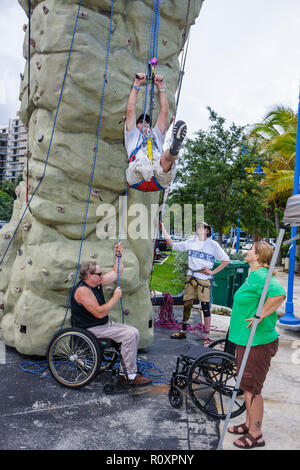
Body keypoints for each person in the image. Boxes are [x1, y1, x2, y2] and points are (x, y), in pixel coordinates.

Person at [228, 241, 286, 449]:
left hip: (257, 343)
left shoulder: (263, 275)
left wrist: (259, 316)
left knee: (253, 389)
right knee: (247, 386)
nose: (248, 251)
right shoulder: (253, 274)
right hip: (246, 340)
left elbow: (279, 294)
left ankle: (256, 434)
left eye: (251, 249)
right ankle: (248, 423)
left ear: (259, 256)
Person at [70, 242, 152, 387]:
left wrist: (118, 255)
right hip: (91, 329)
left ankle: (123, 373)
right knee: (130, 334)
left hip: (101, 325)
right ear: (89, 276)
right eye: (99, 274)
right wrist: (115, 297)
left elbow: (116, 272)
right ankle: (130, 375)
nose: (102, 276)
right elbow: (100, 313)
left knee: (134, 333)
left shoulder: (96, 283)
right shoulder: (83, 291)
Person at [160, 221, 230, 344]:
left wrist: (212, 272)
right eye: (197, 228)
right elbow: (173, 245)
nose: (199, 230)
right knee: (187, 304)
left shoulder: (213, 245)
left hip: (203, 279)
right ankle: (183, 331)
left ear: (208, 231)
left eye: (202, 228)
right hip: (191, 276)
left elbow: (226, 260)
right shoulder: (191, 242)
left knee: (205, 308)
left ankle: (206, 337)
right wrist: (163, 229)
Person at [125, 72, 187, 191]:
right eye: (141, 123)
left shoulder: (156, 135)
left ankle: (174, 148)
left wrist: (161, 87)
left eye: (148, 123)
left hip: (159, 178)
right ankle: (158, 160)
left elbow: (164, 112)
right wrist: (136, 84)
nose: (145, 125)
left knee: (167, 159)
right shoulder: (132, 134)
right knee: (143, 164)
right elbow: (130, 110)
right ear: (136, 125)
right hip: (138, 176)